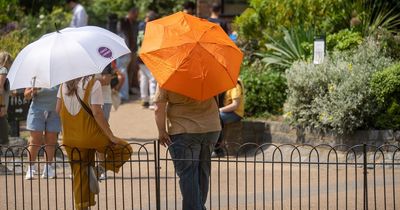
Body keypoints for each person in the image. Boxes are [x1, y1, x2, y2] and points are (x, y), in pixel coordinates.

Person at [56, 75, 132, 210]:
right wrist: (111, 136)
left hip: (69, 139)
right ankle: (99, 171)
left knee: (79, 177)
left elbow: (58, 110)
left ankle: (82, 207)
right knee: (125, 149)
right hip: (91, 136)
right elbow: (97, 112)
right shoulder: (93, 84)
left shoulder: (63, 85)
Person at [154, 87, 221, 210]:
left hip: (183, 129)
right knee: (203, 170)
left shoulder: (168, 76)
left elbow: (159, 108)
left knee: (188, 173)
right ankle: (199, 206)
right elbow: (216, 99)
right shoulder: (206, 71)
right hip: (211, 127)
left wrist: (161, 130)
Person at [24, 85, 61, 180]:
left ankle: (48, 169)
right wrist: (33, 90)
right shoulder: (36, 76)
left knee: (51, 141)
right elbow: (26, 95)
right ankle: (30, 169)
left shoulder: (60, 76)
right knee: (35, 141)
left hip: (54, 111)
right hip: (37, 111)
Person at [213, 80, 244, 157]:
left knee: (216, 119)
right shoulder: (223, 85)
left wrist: (220, 110)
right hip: (224, 112)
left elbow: (235, 105)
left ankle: (217, 150)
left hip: (235, 113)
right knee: (213, 118)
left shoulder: (235, 86)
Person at [137, 11, 158, 109]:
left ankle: (144, 100)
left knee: (144, 78)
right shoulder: (151, 27)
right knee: (152, 79)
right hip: (149, 56)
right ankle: (153, 101)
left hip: (140, 55)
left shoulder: (140, 26)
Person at [122, 8, 140, 95]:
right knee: (126, 70)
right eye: (135, 14)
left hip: (132, 50)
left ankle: (129, 89)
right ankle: (126, 90)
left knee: (131, 71)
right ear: (131, 13)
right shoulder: (124, 22)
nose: (137, 16)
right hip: (127, 50)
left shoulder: (134, 23)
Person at [0, 51, 12, 145]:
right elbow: (0, 88)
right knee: (4, 140)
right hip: (1, 109)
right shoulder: (3, 70)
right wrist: (3, 106)